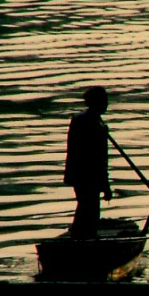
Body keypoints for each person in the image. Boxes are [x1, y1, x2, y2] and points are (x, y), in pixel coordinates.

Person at [63, 86, 112, 238]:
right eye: (104, 101)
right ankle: (84, 243)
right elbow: (98, 158)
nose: (106, 105)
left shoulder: (82, 120)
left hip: (78, 175)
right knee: (89, 212)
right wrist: (105, 185)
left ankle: (79, 238)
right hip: (88, 176)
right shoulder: (94, 124)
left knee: (84, 208)